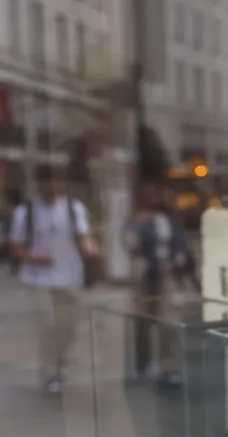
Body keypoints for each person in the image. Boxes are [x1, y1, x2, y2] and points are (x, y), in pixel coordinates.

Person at [9, 165, 101, 394]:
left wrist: (92, 250)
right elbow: (15, 247)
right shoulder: (26, 212)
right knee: (49, 324)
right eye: (46, 181)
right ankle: (51, 374)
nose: (51, 186)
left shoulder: (73, 208)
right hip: (38, 278)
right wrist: (33, 257)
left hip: (70, 276)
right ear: (38, 185)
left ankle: (60, 360)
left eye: (56, 181)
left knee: (69, 326)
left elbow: (83, 236)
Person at [123, 180, 194, 388]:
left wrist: (179, 261)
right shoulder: (135, 221)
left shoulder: (168, 219)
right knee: (142, 325)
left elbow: (180, 243)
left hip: (167, 276)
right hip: (145, 278)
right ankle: (141, 365)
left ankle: (170, 367)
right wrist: (141, 225)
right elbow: (130, 244)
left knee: (169, 324)